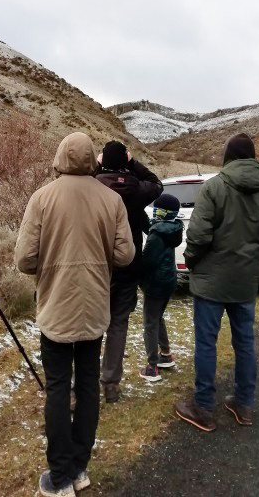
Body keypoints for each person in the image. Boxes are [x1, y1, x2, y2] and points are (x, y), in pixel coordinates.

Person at [14, 132, 134, 497]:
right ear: (91, 161)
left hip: (55, 309)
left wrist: (51, 266)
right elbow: (125, 255)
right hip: (95, 307)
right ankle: (79, 469)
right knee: (87, 386)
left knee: (56, 389)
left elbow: (24, 259)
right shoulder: (111, 199)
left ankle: (60, 476)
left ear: (59, 158)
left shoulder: (42, 198)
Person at [175, 133, 259, 431]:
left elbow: (197, 237)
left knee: (206, 343)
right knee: (245, 343)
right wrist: (255, 258)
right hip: (244, 281)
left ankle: (203, 407)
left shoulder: (214, 188)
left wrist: (194, 262)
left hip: (210, 282)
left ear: (228, 156)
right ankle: (243, 404)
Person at [95, 141, 163, 403]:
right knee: (118, 323)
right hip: (128, 263)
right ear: (125, 160)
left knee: (90, 325)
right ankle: (110, 383)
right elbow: (157, 183)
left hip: (97, 265)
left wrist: (98, 165)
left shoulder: (93, 185)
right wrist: (133, 163)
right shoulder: (138, 188)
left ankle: (82, 382)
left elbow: (78, 179)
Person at [139, 193, 183, 382]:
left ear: (162, 212)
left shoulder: (157, 236)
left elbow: (147, 262)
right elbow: (152, 227)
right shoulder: (171, 229)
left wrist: (135, 271)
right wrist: (139, 211)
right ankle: (165, 354)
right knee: (158, 318)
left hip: (155, 285)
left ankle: (152, 366)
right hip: (168, 282)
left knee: (150, 323)